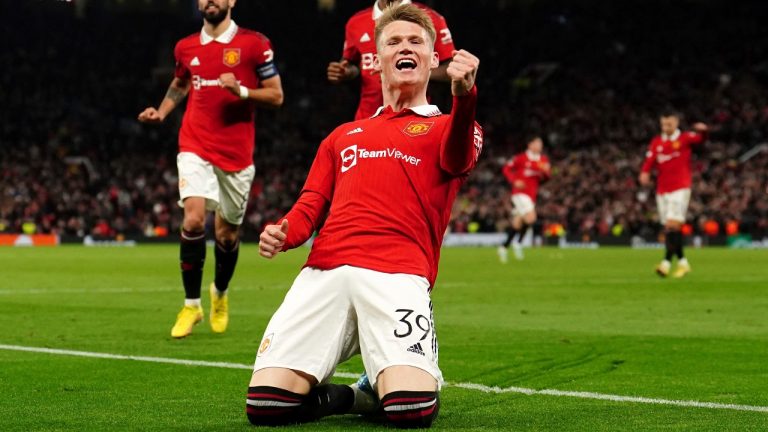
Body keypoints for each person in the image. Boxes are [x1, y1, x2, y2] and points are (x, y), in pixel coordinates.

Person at [246, 4, 481, 428]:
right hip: (325, 271)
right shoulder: (342, 135)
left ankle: (372, 392)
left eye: (416, 42)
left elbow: (459, 155)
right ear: (375, 60)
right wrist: (284, 232)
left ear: (432, 59)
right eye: (393, 41)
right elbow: (310, 205)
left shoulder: (450, 126)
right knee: (267, 407)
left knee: (411, 411)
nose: (404, 47)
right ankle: (353, 395)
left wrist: (465, 98)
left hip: (396, 274)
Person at [138, 0, 284, 338]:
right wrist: (162, 112)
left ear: (232, 1)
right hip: (194, 144)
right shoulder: (185, 47)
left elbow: (277, 96)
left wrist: (242, 90)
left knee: (227, 235)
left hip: (236, 154)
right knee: (192, 218)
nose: (210, 0)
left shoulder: (254, 44)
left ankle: (219, 292)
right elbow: (180, 82)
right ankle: (191, 305)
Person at [327, 0, 455, 120]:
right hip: (367, 116)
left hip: (415, 117)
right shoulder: (356, 22)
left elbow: (451, 69)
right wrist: (346, 72)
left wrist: (412, 71)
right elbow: (353, 65)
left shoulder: (431, 18)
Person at [639, 112, 708, 278]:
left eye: (669, 124)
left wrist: (704, 131)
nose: (666, 128)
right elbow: (649, 161)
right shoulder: (657, 142)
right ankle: (683, 263)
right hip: (662, 190)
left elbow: (700, 140)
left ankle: (665, 263)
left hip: (680, 188)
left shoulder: (684, 138)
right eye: (663, 124)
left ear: (676, 123)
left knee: (671, 225)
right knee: (671, 228)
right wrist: (644, 172)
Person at [497, 136, 550, 262]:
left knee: (518, 223)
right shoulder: (521, 158)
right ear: (530, 145)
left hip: (532, 196)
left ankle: (504, 247)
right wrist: (514, 181)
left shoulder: (543, 160)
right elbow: (506, 169)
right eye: (537, 143)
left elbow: (547, 177)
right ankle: (519, 243)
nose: (539, 146)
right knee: (531, 218)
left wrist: (546, 172)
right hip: (520, 193)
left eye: (541, 143)